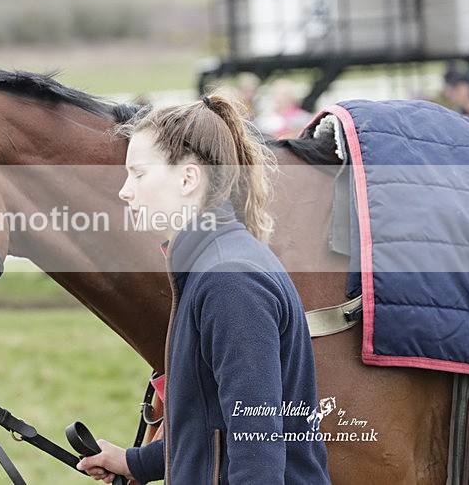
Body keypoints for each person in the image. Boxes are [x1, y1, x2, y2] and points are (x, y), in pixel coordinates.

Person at [78, 97, 330, 483]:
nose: (125, 191)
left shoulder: (230, 281)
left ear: (188, 179)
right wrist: (137, 463)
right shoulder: (209, 266)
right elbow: (210, 420)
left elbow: (257, 448)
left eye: (139, 174)